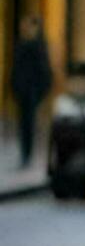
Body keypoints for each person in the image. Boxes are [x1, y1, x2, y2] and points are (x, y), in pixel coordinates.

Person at [10, 16, 53, 166]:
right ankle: (25, 153)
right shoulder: (22, 45)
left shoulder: (38, 46)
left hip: (32, 91)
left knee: (29, 123)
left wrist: (41, 90)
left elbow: (45, 71)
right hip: (23, 90)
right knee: (24, 123)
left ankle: (28, 154)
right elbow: (15, 69)